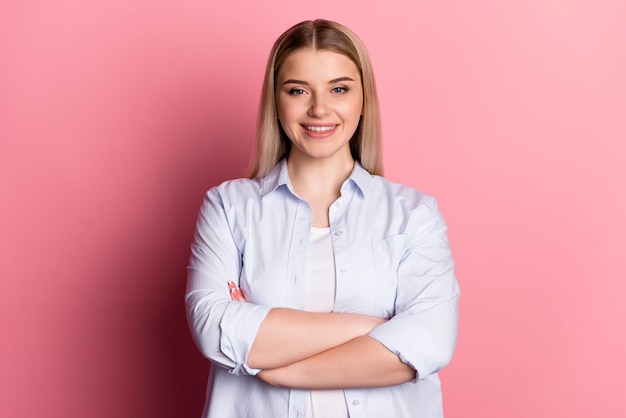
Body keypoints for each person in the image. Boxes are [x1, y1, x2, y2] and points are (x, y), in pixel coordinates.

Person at [185, 19, 460, 418]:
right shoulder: (229, 208)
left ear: (363, 99)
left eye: (339, 89)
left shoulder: (413, 214)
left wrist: (281, 369)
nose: (319, 109)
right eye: (298, 90)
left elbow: (430, 342)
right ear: (275, 101)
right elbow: (215, 330)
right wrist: (381, 327)